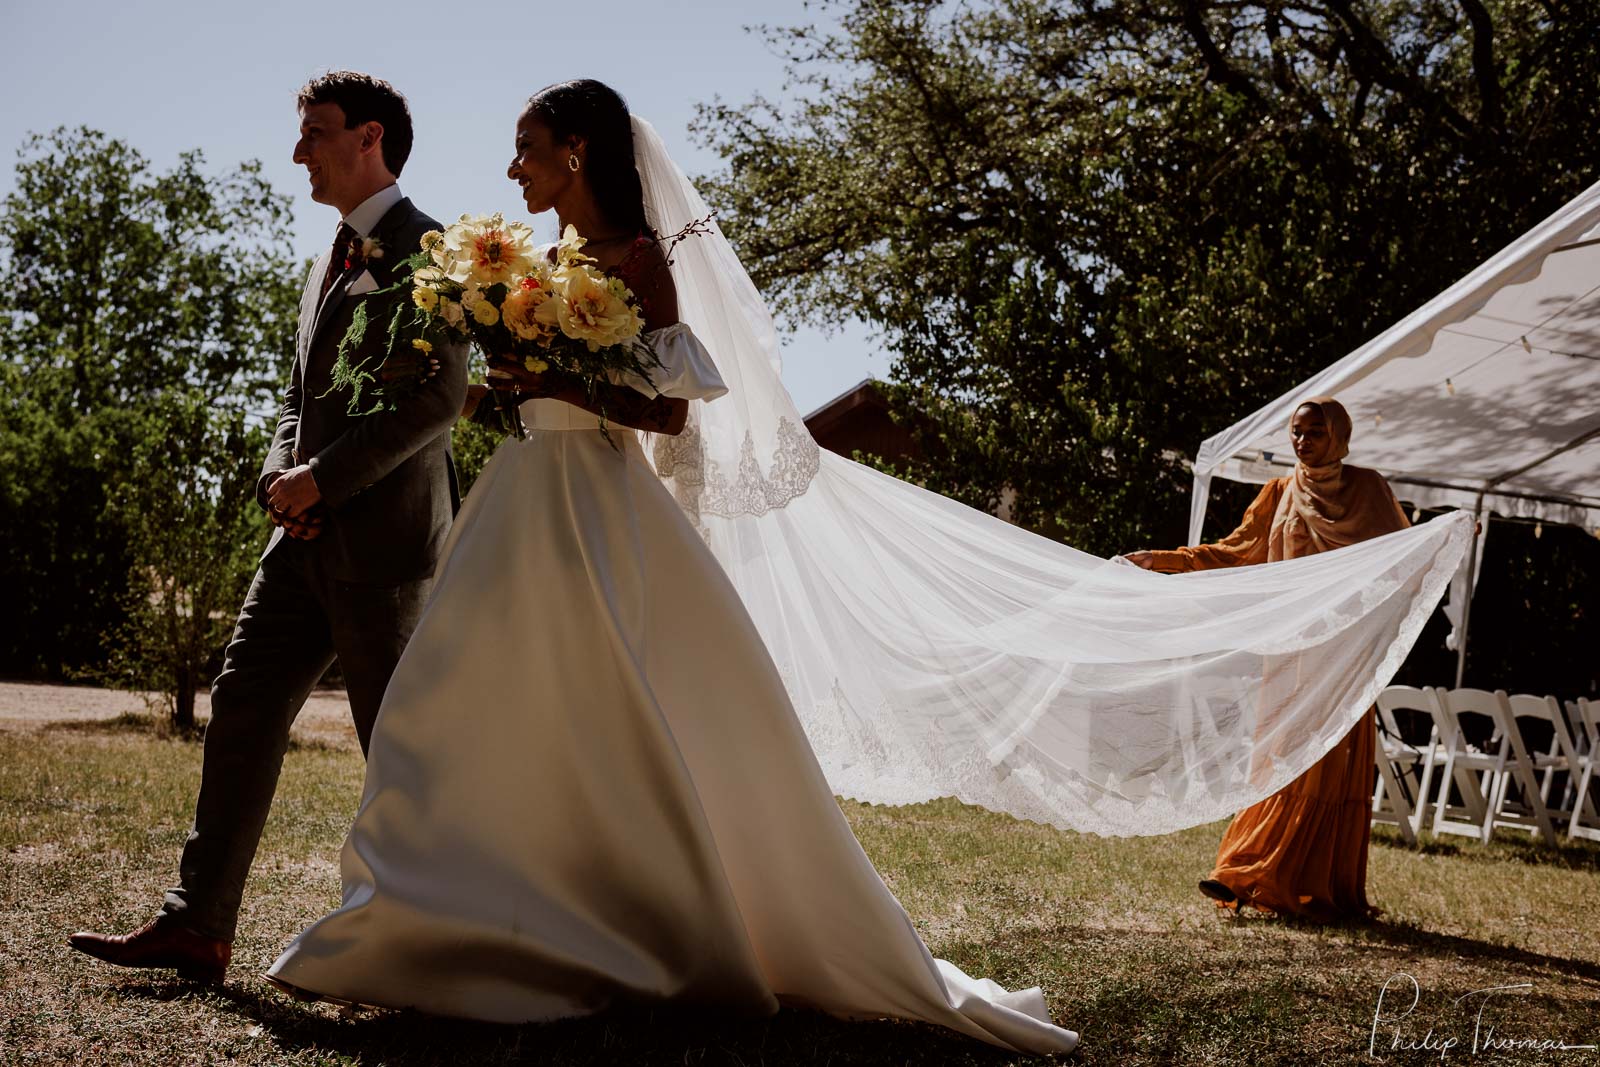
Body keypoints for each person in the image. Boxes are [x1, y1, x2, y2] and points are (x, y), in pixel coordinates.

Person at [261, 81, 1078, 1055]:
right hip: (521, 500)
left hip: (599, 505)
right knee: (463, 703)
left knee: (616, 720)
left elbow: (669, 414)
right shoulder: (534, 265)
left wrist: (551, 378)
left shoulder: (641, 260)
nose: (511, 168)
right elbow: (528, 399)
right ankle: (447, 915)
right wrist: (470, 392)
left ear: (574, 151)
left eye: (525, 149)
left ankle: (626, 922)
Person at [67, 71, 469, 983]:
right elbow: (299, 395)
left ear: (370, 138)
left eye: (315, 134)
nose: (299, 154)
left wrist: (323, 478)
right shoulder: (328, 256)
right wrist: (279, 474)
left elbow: (439, 397)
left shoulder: (431, 249)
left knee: (399, 746)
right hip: (299, 541)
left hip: (387, 548)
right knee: (242, 702)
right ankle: (197, 924)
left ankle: (441, 941)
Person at [1123, 396, 1409, 920]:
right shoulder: (1278, 493)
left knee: (1324, 770)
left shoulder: (1368, 489)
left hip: (1343, 660)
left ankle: (1302, 884)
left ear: (1339, 435)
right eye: (1296, 432)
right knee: (1278, 760)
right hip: (1289, 657)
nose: (1302, 441)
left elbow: (1406, 553)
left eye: (1314, 432)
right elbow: (1234, 551)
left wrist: (1452, 539)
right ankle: (1244, 872)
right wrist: (1165, 560)